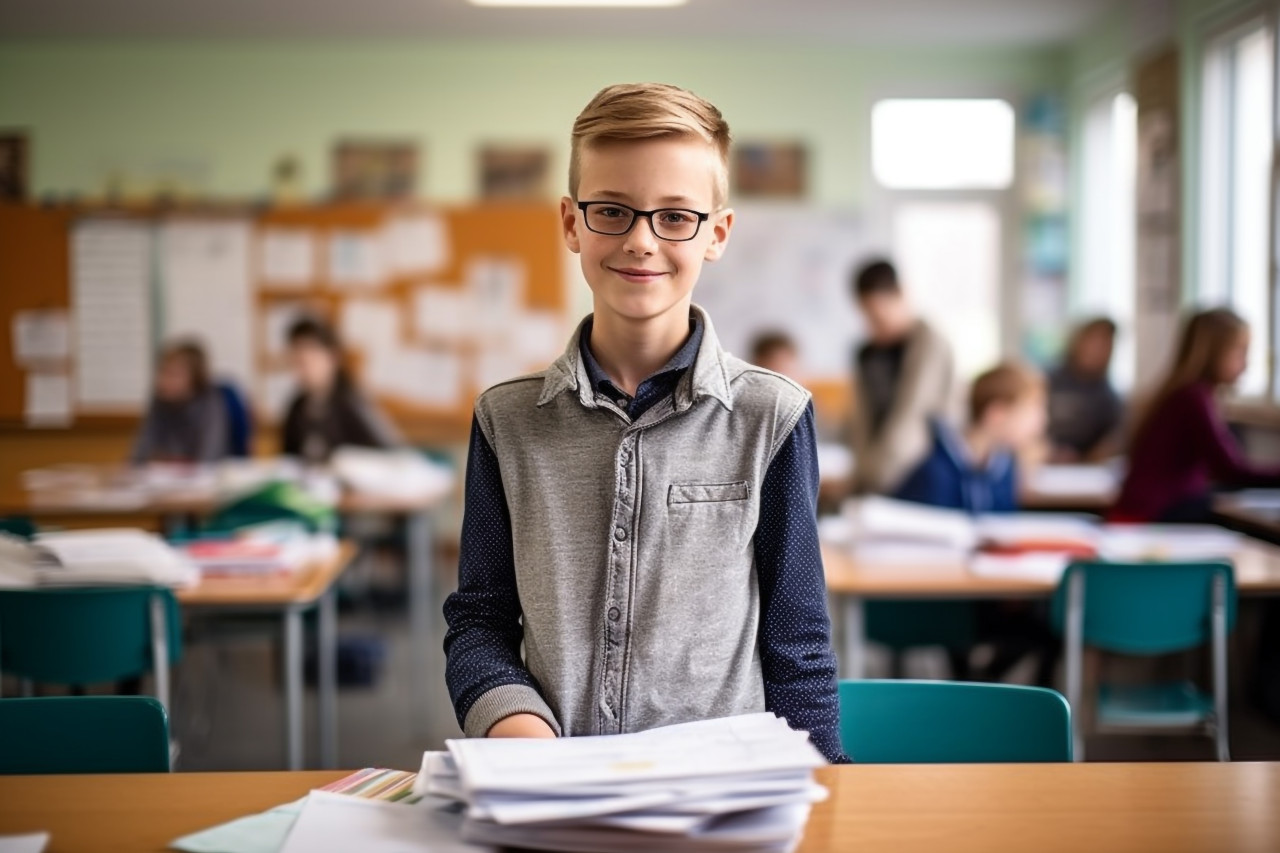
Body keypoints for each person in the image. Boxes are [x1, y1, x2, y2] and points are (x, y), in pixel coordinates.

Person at [442, 82, 845, 763]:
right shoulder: (506, 419)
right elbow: (479, 621)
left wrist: (828, 788)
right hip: (551, 785)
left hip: (720, 792)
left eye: (675, 217)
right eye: (612, 211)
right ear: (571, 223)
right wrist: (518, 728)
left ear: (716, 233)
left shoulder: (771, 416)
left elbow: (797, 642)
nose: (640, 240)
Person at [1113, 308, 1280, 522]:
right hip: (1150, 519)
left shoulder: (1183, 393)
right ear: (1214, 352)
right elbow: (1230, 470)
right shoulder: (1193, 398)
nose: (1246, 365)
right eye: (1240, 352)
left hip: (1151, 512)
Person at [849, 259, 957, 495]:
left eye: (880, 316)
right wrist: (860, 475)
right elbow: (862, 422)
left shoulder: (929, 344)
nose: (875, 325)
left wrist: (875, 476)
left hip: (918, 474)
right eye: (868, 317)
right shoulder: (868, 353)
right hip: (874, 477)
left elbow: (913, 414)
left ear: (902, 294)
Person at [895, 362, 1047, 513]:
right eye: (1030, 411)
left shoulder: (1005, 464)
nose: (1040, 422)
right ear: (996, 414)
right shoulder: (934, 466)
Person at [280, 316, 402, 464]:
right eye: (298, 359)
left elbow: (390, 454)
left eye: (312, 356)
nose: (306, 366)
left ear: (333, 357)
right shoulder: (297, 407)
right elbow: (289, 461)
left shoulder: (352, 403)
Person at [131, 339, 227, 464]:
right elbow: (141, 452)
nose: (163, 380)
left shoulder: (211, 402)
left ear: (195, 379)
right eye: (162, 372)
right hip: (165, 476)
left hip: (204, 478)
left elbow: (209, 457)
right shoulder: (160, 399)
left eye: (173, 374)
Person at [1047, 318, 1124, 462]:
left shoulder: (1108, 397)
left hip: (1085, 469)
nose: (1097, 350)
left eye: (1105, 345)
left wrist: (1092, 456)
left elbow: (1114, 438)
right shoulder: (1046, 381)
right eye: (1093, 342)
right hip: (1045, 464)